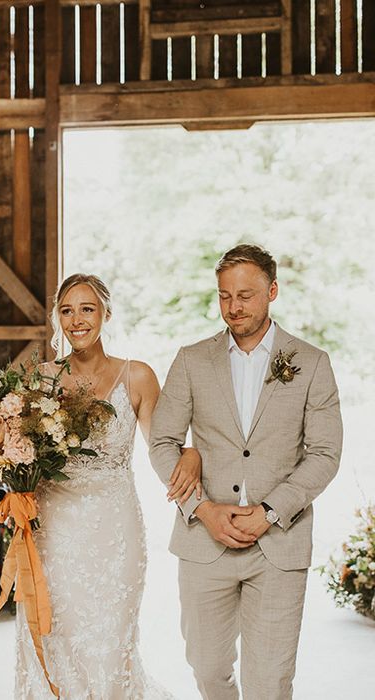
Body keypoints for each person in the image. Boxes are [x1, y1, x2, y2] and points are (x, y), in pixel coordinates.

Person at [149, 244, 343, 700]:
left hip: (279, 543)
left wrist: (270, 512)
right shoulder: (191, 359)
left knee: (270, 680)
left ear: (272, 291)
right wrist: (202, 509)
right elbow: (162, 442)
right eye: (224, 296)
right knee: (208, 668)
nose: (233, 308)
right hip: (204, 541)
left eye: (246, 295)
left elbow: (325, 454)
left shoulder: (312, 363)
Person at [16, 273, 201, 699]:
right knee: (55, 634)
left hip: (114, 529)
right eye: (66, 310)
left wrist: (191, 454)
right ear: (56, 318)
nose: (76, 320)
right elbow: (21, 455)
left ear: (106, 314)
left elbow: (163, 448)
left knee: (111, 640)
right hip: (53, 529)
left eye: (87, 309)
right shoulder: (39, 380)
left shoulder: (137, 377)